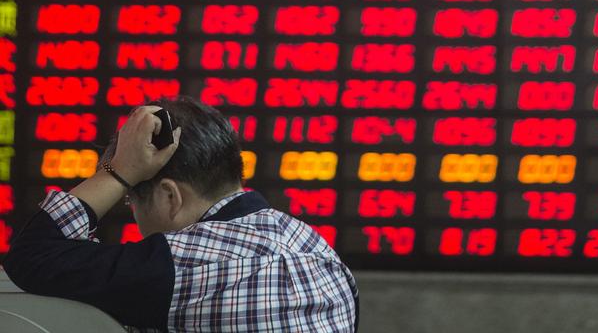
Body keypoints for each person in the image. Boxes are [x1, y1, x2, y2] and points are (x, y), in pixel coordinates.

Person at [3, 96, 359, 332]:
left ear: (169, 196)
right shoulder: (318, 250)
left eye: (132, 202)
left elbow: (34, 256)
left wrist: (120, 171)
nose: (135, 218)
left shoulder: (185, 264)